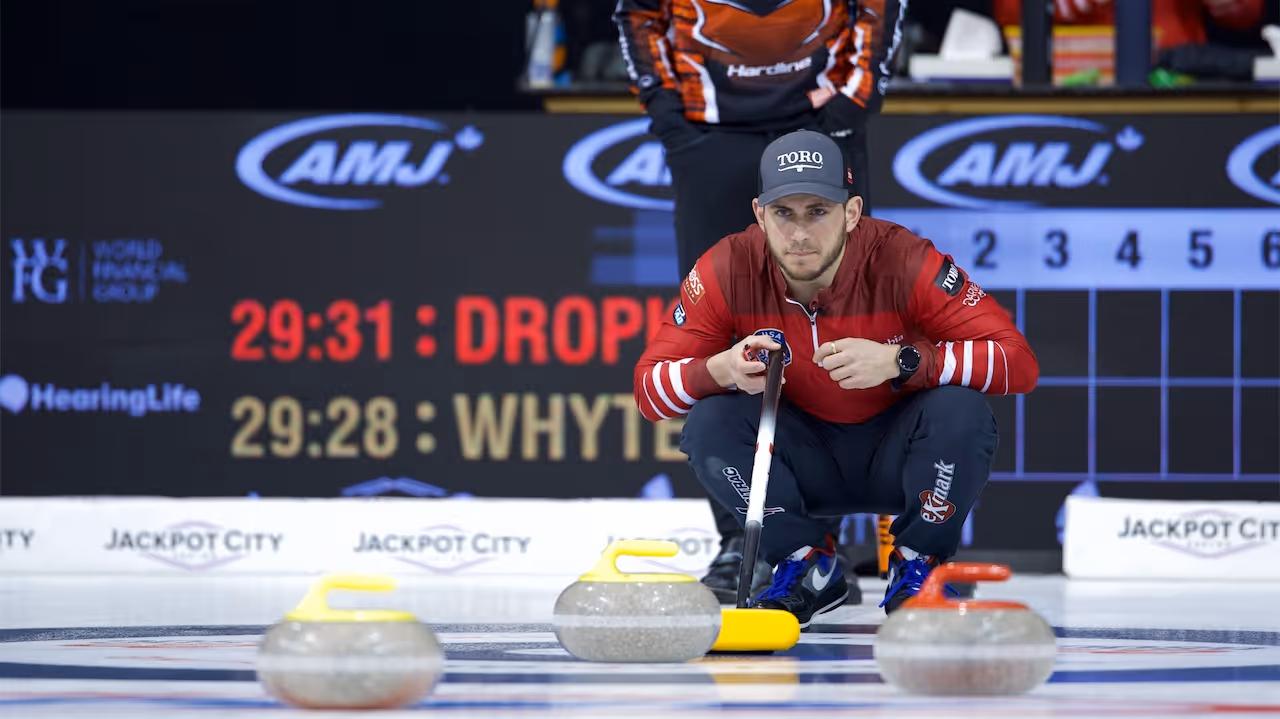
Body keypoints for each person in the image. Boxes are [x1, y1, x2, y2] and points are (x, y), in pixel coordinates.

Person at [631, 129, 1039, 626]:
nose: (800, 234)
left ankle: (918, 566)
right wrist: (719, 369)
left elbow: (1017, 362)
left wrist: (904, 363)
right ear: (759, 215)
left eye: (818, 212)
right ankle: (805, 564)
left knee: (962, 410)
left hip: (902, 456)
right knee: (711, 420)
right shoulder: (725, 267)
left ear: (851, 213)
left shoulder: (904, 258)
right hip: (803, 465)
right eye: (784, 214)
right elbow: (649, 392)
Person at [612, 0, 908, 604]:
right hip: (709, 131)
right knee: (722, 328)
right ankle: (743, 538)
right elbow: (637, 12)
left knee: (835, 323)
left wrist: (856, 99)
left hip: (822, 120)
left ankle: (819, 547)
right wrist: (668, 111)